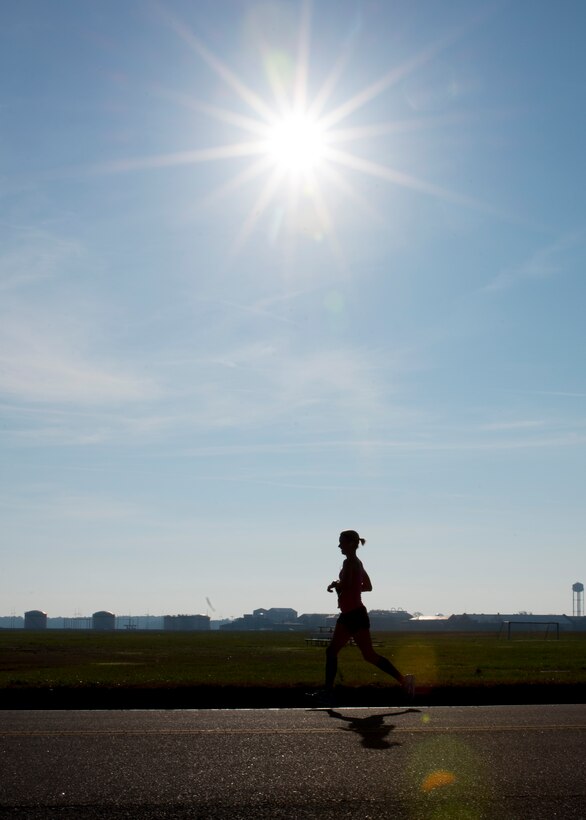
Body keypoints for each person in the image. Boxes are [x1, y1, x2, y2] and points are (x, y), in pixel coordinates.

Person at [323, 529, 415, 701]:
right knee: (356, 654)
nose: (339, 546)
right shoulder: (358, 562)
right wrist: (342, 587)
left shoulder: (349, 562)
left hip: (354, 615)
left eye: (341, 542)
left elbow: (349, 585)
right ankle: (404, 681)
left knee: (345, 653)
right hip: (353, 613)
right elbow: (367, 586)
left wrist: (336, 584)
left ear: (350, 544)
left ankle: (328, 693)